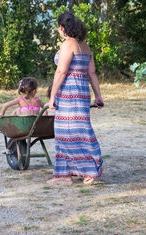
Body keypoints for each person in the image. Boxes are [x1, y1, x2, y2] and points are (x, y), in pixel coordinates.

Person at [47, 11, 104, 185]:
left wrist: (52, 98)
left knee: (65, 132)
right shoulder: (85, 46)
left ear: (62, 27)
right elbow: (92, 73)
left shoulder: (68, 44)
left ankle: (68, 174)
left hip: (69, 93)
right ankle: (86, 171)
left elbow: (61, 71)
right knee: (81, 129)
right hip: (82, 92)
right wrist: (98, 96)